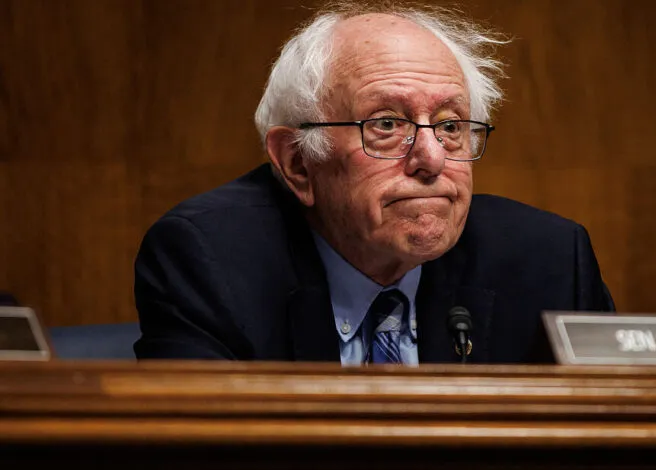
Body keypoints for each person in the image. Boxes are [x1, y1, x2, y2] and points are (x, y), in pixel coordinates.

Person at [133, 2, 614, 364]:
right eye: (386, 124)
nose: (432, 158)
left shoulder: (549, 260)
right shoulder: (210, 259)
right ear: (298, 163)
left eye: (450, 126)